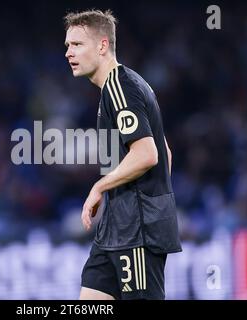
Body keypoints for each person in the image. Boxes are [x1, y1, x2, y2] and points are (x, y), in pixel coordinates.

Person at [64, 9, 182, 300]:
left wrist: (100, 186)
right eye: (67, 45)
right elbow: (164, 151)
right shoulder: (122, 86)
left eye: (77, 45)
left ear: (102, 45)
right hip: (116, 229)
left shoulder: (120, 87)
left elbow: (148, 154)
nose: (68, 53)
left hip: (137, 233)